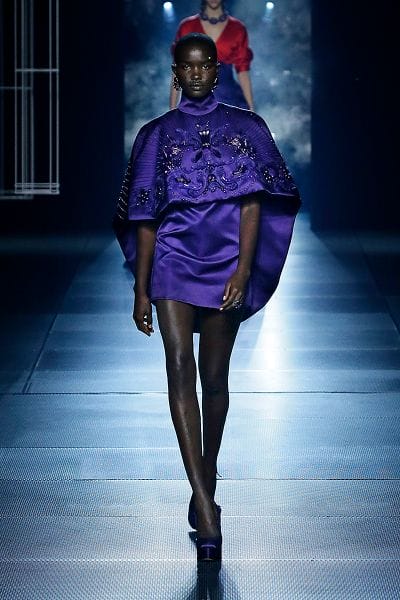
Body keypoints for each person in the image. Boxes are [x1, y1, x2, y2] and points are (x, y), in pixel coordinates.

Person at [113, 33, 300, 562]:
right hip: (172, 260)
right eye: (187, 67)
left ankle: (207, 475)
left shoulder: (247, 128)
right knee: (179, 367)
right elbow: (145, 216)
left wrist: (243, 270)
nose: (196, 74)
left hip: (225, 264)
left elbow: (254, 204)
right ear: (176, 72)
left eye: (205, 66)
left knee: (214, 378)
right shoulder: (155, 135)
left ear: (217, 71)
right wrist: (142, 288)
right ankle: (204, 504)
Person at [170, 0, 254, 110]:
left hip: (230, 99)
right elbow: (177, 70)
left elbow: (243, 71)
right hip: (195, 101)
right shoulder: (187, 27)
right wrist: (172, 109)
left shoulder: (238, 28)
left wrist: (251, 109)